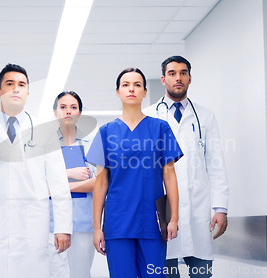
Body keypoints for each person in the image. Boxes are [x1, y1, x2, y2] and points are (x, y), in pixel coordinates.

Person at [0, 63, 73, 278]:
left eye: (21, 85)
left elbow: (59, 185)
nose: (16, 89)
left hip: (33, 223)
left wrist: (63, 227)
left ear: (28, 93)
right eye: (10, 84)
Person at [88, 68, 183, 278]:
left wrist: (174, 218)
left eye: (137, 85)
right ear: (118, 92)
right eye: (125, 85)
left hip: (152, 221)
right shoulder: (106, 132)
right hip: (117, 222)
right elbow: (101, 182)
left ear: (145, 92)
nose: (131, 89)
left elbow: (169, 176)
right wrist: (97, 227)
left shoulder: (160, 128)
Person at [144, 56, 229, 278]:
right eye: (172, 73)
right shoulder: (150, 116)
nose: (178, 78)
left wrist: (220, 208)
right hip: (163, 210)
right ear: (163, 79)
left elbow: (216, 164)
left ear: (190, 78)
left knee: (202, 273)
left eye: (183, 73)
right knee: (167, 273)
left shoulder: (205, 116)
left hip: (198, 207)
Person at [48, 91, 96, 278]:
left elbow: (98, 182)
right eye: (63, 107)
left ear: (80, 113)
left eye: (73, 107)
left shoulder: (92, 143)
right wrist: (70, 174)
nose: (68, 111)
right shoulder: (45, 145)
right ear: (55, 112)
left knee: (81, 273)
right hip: (53, 222)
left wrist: (60, 187)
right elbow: (38, 181)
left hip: (83, 221)